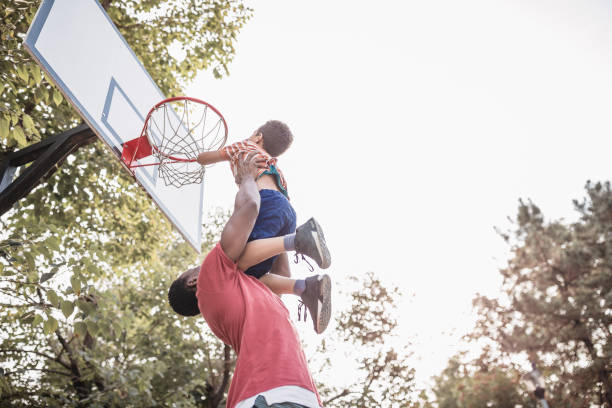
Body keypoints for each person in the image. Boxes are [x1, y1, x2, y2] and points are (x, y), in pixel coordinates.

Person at [168, 152, 329, 407]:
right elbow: (251, 207)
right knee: (241, 252)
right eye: (190, 269)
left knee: (248, 259)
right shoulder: (210, 280)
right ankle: (298, 242)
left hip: (280, 395)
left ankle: (304, 284)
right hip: (271, 395)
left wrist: (283, 211)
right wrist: (246, 179)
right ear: (191, 282)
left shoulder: (243, 291)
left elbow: (280, 276)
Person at [196, 120, 330, 282]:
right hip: (287, 211)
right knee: (256, 274)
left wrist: (197, 157)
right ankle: (303, 286)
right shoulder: (272, 164)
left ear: (258, 136)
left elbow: (203, 158)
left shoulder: (244, 146)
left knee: (236, 264)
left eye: (253, 133)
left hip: (267, 202)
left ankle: (298, 241)